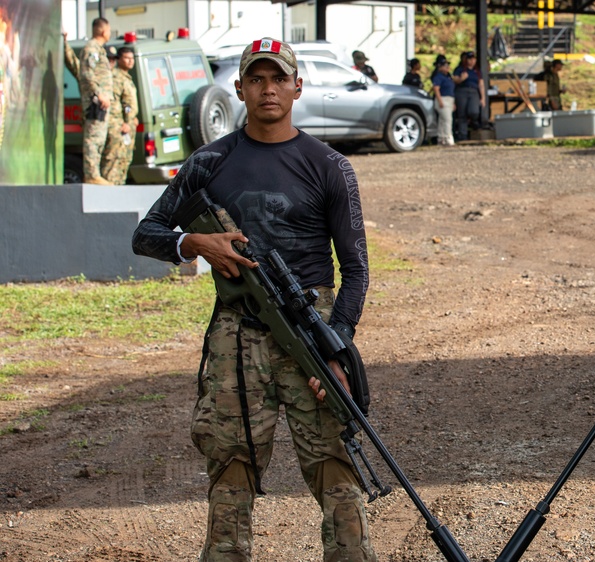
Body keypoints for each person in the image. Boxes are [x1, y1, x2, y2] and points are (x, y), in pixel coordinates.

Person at [131, 37, 376, 562]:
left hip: (312, 328)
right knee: (230, 464)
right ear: (239, 89)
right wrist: (193, 243)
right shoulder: (210, 161)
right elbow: (145, 232)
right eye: (257, 79)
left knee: (336, 465)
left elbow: (355, 269)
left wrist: (338, 349)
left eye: (279, 78)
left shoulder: (330, 166)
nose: (269, 89)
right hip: (235, 337)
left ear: (297, 85)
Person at [79, 17, 114, 185]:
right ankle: (91, 174)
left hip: (102, 103)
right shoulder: (91, 48)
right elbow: (86, 74)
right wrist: (99, 93)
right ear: (102, 31)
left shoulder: (99, 50)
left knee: (99, 138)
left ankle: (95, 173)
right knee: (93, 138)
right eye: (108, 29)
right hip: (96, 102)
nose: (109, 33)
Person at [102, 46, 138, 185]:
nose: (130, 61)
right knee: (114, 162)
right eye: (126, 58)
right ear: (120, 60)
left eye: (132, 58)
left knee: (123, 161)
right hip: (120, 125)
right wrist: (127, 121)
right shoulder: (117, 77)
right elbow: (123, 103)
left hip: (127, 125)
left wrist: (132, 118)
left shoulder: (126, 77)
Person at [452, 50, 485, 142]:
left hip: (473, 91)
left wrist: (483, 98)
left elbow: (481, 84)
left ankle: (474, 122)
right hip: (462, 91)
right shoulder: (460, 69)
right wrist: (461, 79)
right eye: (469, 59)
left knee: (474, 111)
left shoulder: (477, 71)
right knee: (462, 114)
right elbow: (454, 80)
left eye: (473, 59)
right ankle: (463, 135)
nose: (471, 61)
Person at [431, 58, 457, 146]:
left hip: (450, 99)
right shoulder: (438, 77)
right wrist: (440, 100)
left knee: (443, 120)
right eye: (445, 66)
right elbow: (436, 89)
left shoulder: (448, 77)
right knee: (447, 119)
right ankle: (448, 137)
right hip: (443, 99)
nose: (447, 67)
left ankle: (441, 138)